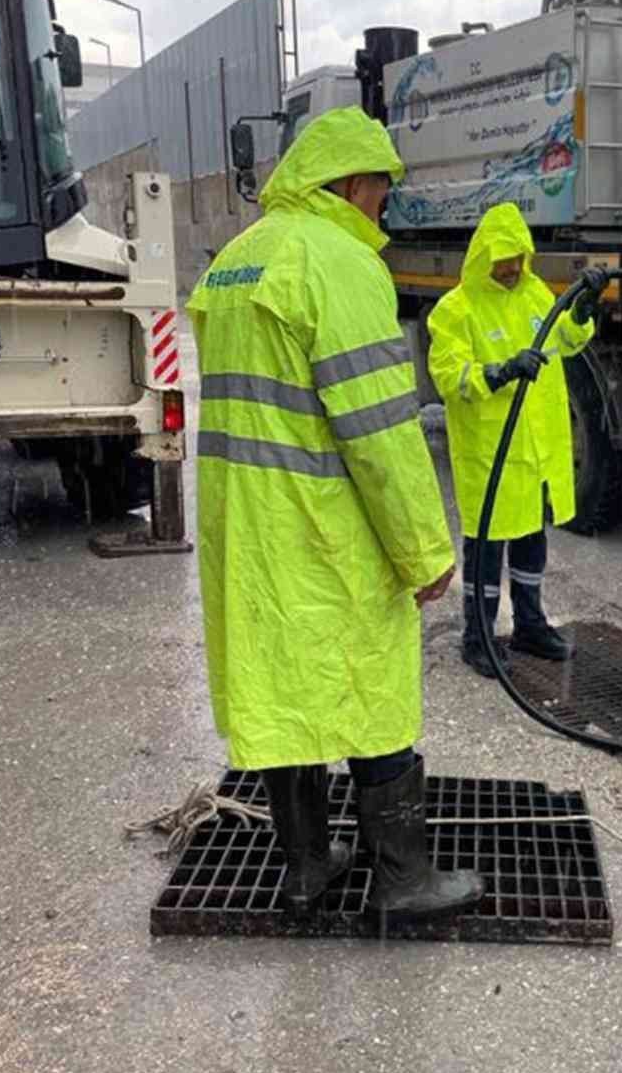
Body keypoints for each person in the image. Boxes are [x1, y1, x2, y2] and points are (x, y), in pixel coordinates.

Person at [187, 107, 483, 920]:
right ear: (350, 185)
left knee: (284, 686)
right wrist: (425, 552)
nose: (382, 213)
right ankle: (402, 880)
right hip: (325, 521)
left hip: (246, 526)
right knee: (370, 684)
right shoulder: (339, 263)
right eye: (380, 195)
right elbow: (380, 433)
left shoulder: (238, 262)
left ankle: (307, 869)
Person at [427, 202, 597, 678]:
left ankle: (529, 624)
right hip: (490, 450)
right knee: (485, 546)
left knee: (530, 539)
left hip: (535, 449)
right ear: (483, 256)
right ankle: (476, 635)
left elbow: (565, 338)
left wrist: (582, 312)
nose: (509, 268)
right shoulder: (455, 310)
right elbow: (448, 375)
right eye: (501, 259)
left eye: (516, 258)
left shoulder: (534, 292)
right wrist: (498, 373)